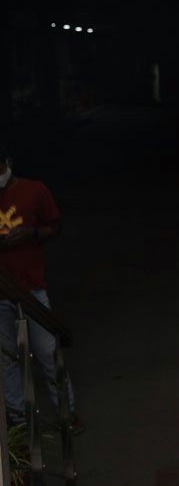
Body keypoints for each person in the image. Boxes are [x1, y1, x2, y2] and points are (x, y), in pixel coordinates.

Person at [0, 151, 83, 433]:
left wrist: (31, 233)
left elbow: (54, 226)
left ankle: (66, 413)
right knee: (7, 358)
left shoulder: (33, 190)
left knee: (48, 352)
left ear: (8, 163)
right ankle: (19, 421)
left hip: (32, 289)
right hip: (1, 293)